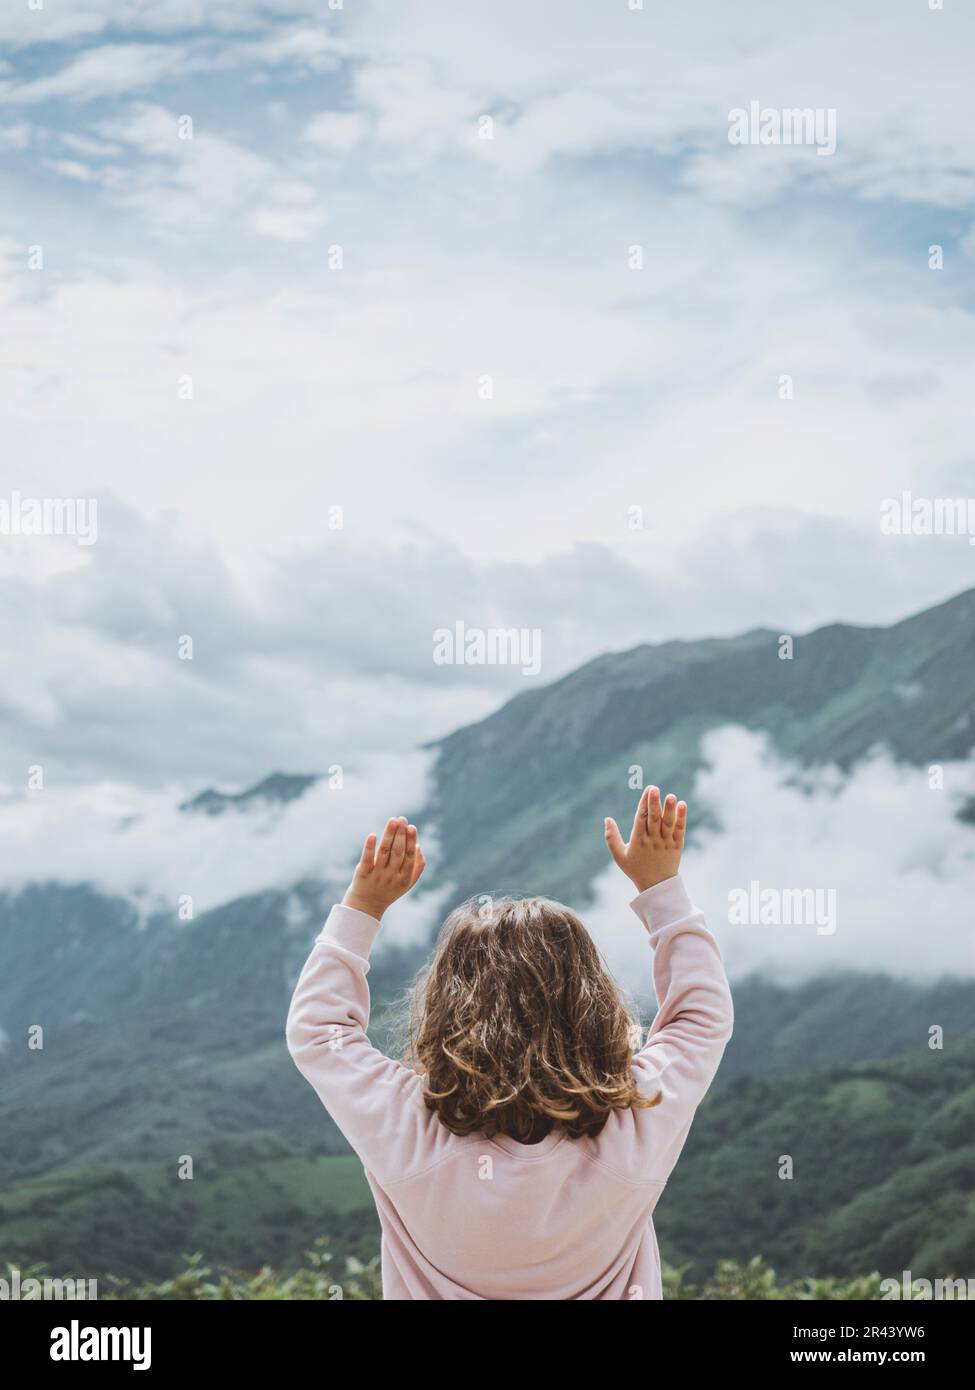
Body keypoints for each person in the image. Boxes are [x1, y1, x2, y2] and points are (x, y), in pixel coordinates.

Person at [286, 786, 733, 1299]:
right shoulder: (636, 1117)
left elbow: (318, 1033)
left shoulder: (409, 1124)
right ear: (591, 1003)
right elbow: (702, 1019)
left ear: (446, 1008)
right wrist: (662, 889)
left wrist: (363, 906)